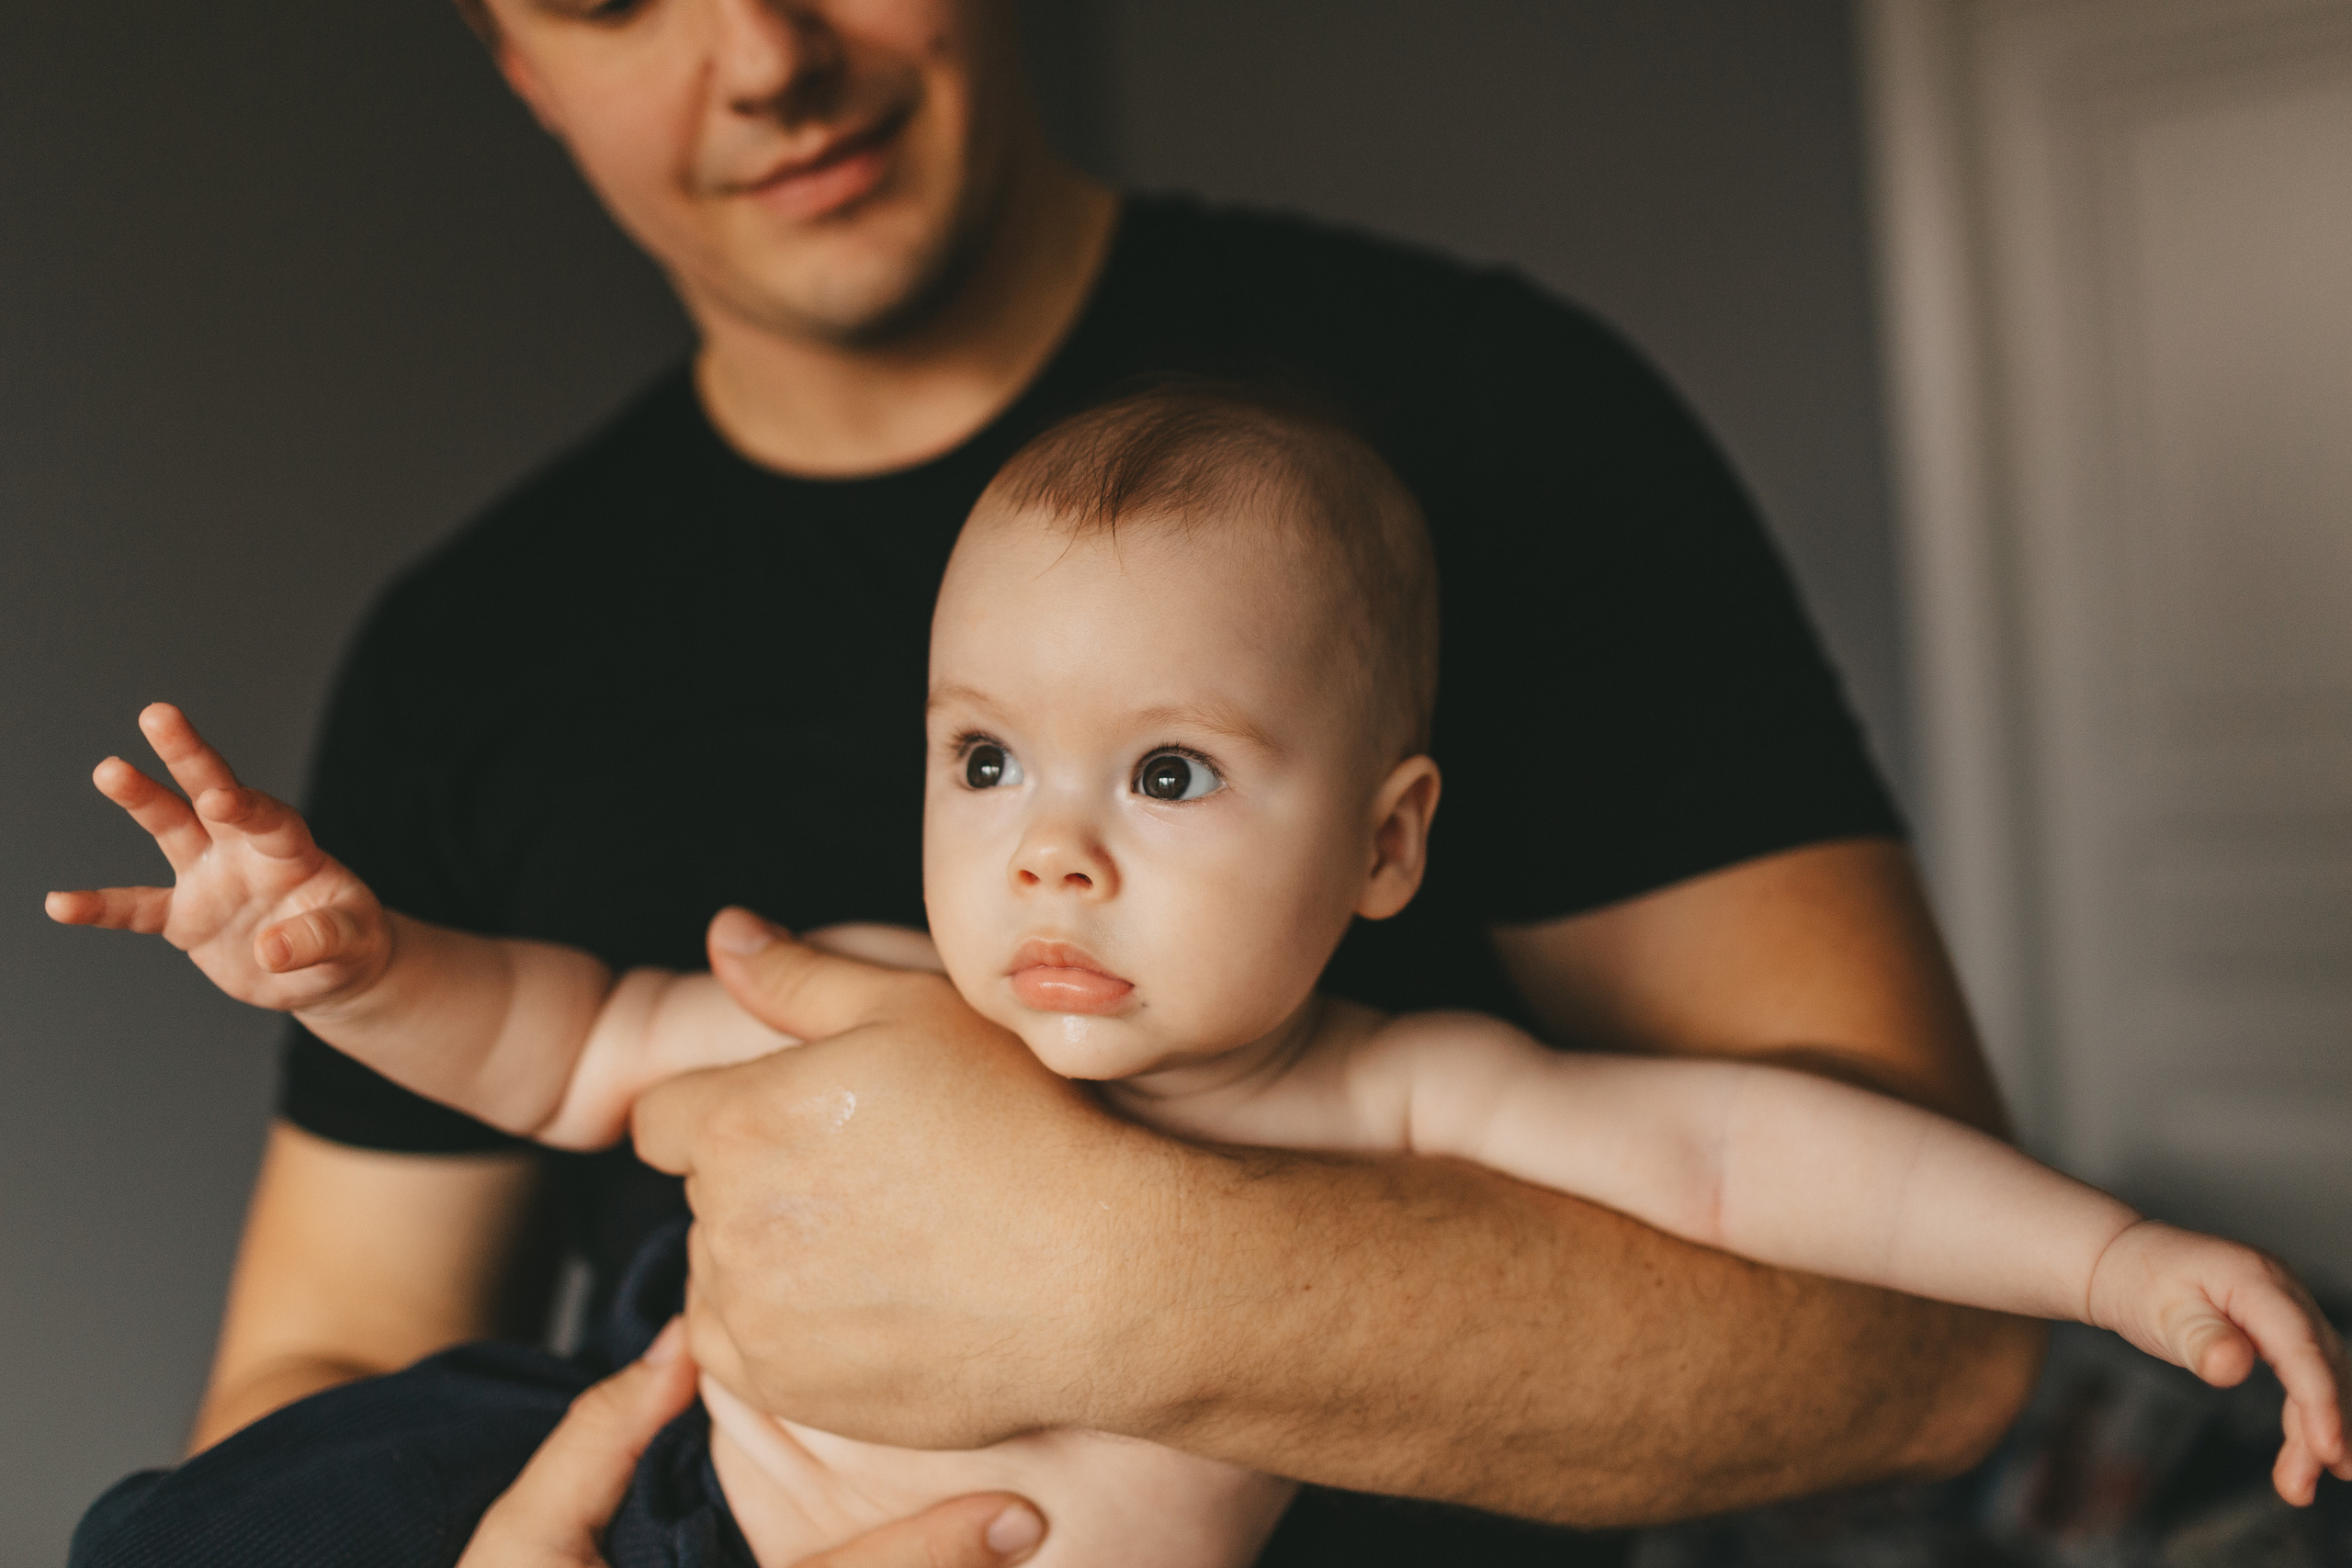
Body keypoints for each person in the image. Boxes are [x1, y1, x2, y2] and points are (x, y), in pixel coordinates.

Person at [155, 0, 2054, 1558]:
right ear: (517, 59)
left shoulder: (1497, 431)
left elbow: (1937, 1343)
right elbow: (332, 1362)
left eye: (1168, 773)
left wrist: (1115, 1277)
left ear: (1388, 834)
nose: (765, 55)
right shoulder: (469, 654)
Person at [53, 390, 2350, 1566]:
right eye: (982, 757)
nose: (1045, 843)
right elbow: (552, 1044)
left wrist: (2104, 1256)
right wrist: (351, 963)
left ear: (1384, 842)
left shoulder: (1400, 1093)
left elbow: (1752, 1152)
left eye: (1165, 771)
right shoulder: (863, 1000)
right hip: (653, 1486)